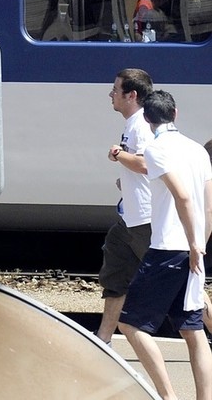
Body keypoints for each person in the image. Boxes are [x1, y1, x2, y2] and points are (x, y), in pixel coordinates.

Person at [117, 90, 212, 400]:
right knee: (193, 332)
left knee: (130, 325)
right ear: (176, 113)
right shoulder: (199, 150)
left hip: (168, 247)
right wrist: (200, 244)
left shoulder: (156, 149)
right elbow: (209, 207)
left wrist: (192, 244)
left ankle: (168, 396)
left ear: (146, 117)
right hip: (193, 248)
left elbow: (182, 195)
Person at [94, 68, 153, 345]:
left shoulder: (141, 125)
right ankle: (103, 338)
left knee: (178, 285)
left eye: (115, 90)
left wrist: (118, 154)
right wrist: (125, 180)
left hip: (146, 220)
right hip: (128, 219)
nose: (111, 94)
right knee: (115, 274)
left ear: (132, 95)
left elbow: (144, 164)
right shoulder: (133, 123)